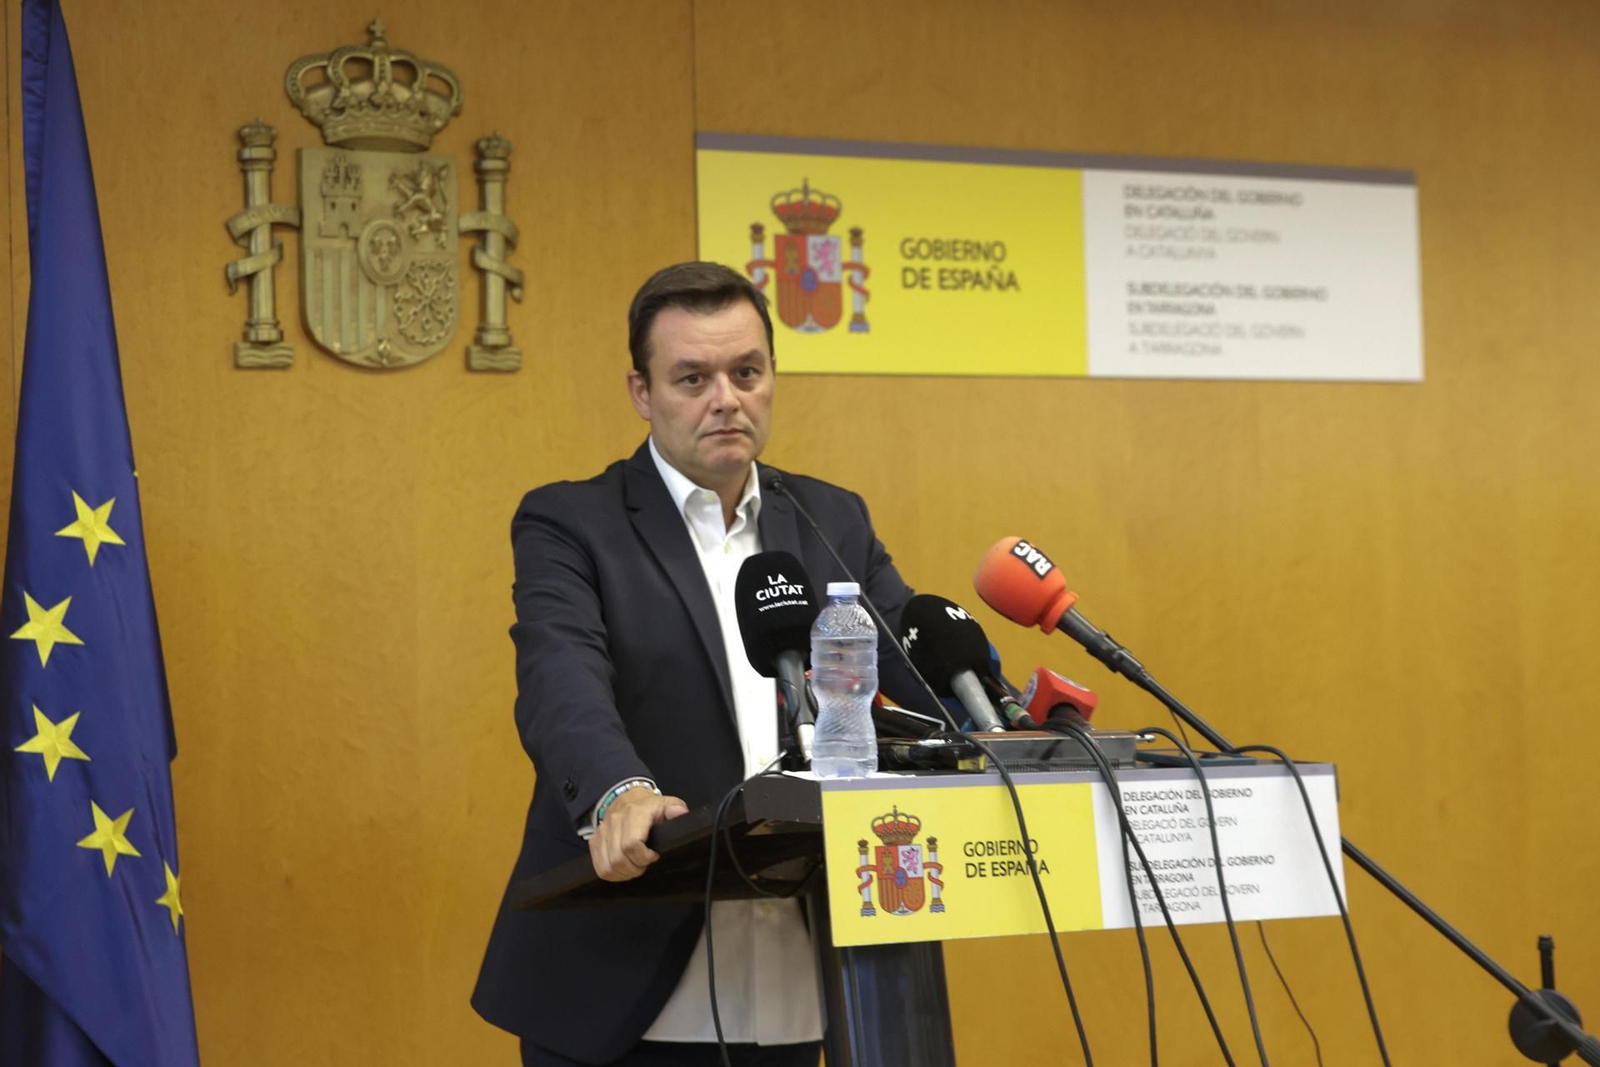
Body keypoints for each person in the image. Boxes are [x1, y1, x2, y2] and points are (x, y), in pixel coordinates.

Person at [473, 262, 931, 1066]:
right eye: (693, 378)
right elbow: (561, 678)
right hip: (620, 980)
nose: (726, 398)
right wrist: (619, 790)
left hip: (798, 978)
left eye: (746, 373)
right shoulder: (573, 522)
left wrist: (1009, 716)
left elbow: (916, 669)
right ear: (641, 392)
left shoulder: (831, 518)